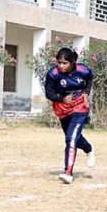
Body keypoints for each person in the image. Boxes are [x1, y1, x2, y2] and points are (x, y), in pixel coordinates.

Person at [44, 47, 95, 184]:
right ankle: (88, 148)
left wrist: (86, 92)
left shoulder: (83, 70)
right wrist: (61, 99)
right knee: (73, 138)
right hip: (62, 108)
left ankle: (68, 172)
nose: (61, 66)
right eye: (59, 62)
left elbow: (90, 78)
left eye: (64, 63)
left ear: (73, 62)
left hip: (80, 106)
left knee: (70, 138)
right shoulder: (52, 74)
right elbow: (49, 93)